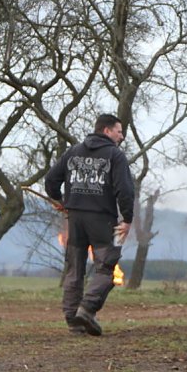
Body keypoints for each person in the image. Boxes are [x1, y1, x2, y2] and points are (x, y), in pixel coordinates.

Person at [45, 113, 134, 336]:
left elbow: (50, 181)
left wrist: (61, 200)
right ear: (106, 131)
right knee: (106, 266)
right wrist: (128, 219)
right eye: (119, 131)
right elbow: (124, 190)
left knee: (75, 268)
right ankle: (87, 309)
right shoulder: (115, 155)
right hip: (102, 219)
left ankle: (73, 320)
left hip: (75, 218)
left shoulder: (73, 151)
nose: (121, 136)